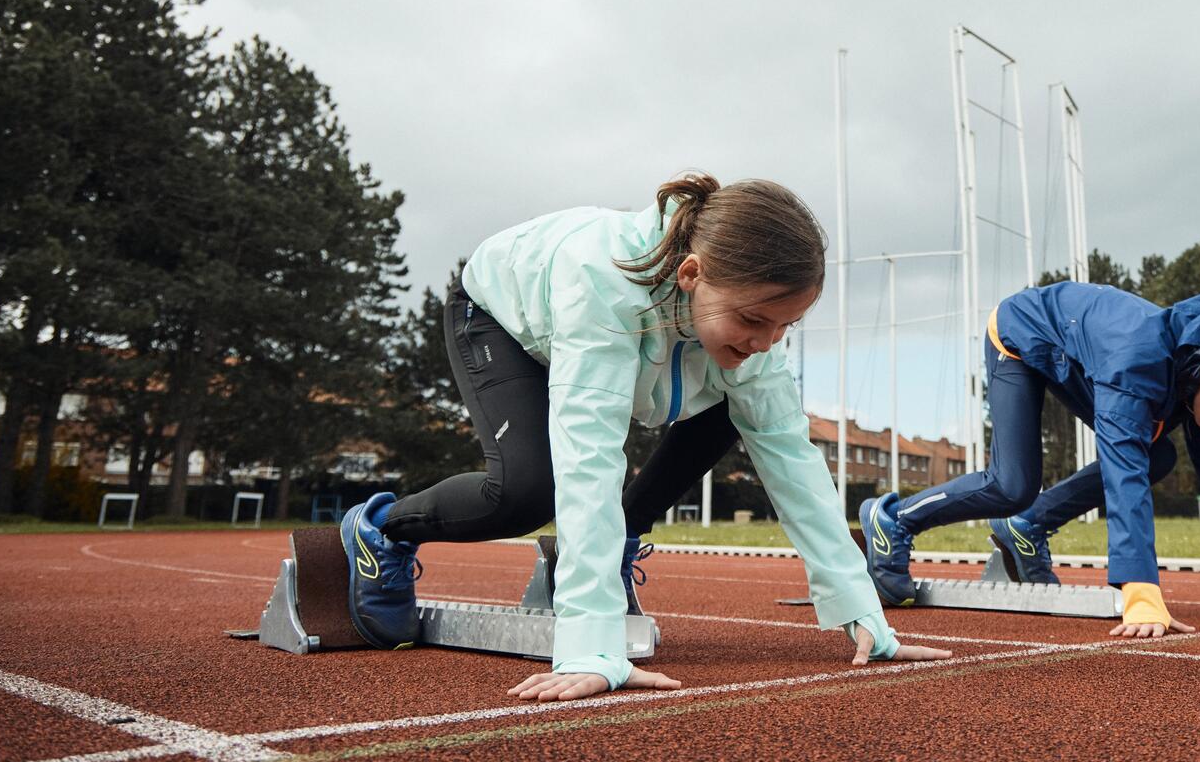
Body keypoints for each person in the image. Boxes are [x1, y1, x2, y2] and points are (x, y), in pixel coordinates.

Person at [338, 174, 951, 701]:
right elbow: (590, 457)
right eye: (754, 320)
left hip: (646, 326)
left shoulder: (748, 336)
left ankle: (619, 543)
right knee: (530, 492)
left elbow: (793, 462)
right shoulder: (602, 284)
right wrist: (589, 645)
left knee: (737, 404)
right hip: (502, 314)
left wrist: (861, 609)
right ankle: (382, 528)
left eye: (785, 326)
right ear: (691, 273)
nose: (766, 342)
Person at [860, 282, 1200, 636]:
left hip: (1075, 352)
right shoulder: (1138, 362)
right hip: (1019, 335)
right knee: (1012, 485)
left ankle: (1026, 526)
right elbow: (1122, 471)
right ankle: (894, 519)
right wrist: (1140, 588)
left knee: (1159, 457)